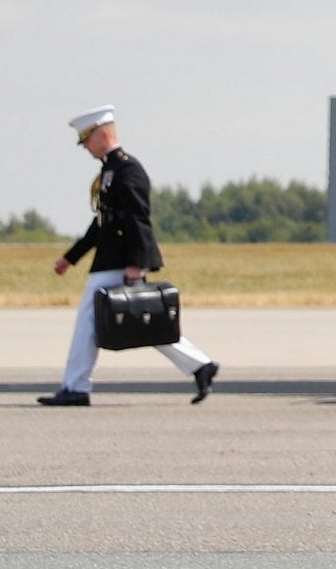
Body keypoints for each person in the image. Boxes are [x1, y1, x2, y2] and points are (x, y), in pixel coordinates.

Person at [40, 108, 218, 407]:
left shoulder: (127, 170)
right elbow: (102, 224)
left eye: (86, 140)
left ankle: (76, 387)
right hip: (112, 258)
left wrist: (136, 264)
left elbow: (138, 219)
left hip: (121, 260)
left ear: (101, 134)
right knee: (144, 323)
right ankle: (200, 366)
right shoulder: (110, 171)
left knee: (94, 319)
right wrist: (71, 258)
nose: (85, 147)